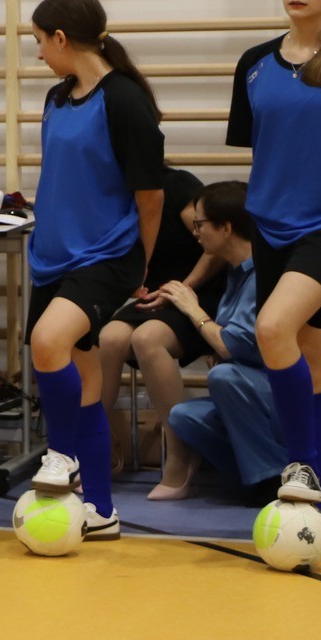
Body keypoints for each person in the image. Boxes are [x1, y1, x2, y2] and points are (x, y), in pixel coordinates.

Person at [24, 0, 166, 541]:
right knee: (83, 377)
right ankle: (101, 510)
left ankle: (62, 456)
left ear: (62, 38)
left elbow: (150, 196)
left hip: (107, 254)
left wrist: (141, 262)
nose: (39, 53)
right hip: (54, 255)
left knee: (47, 342)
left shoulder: (124, 99)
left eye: (40, 41)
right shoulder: (57, 97)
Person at [228, 0, 321, 542]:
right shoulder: (254, 63)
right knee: (314, 355)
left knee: (272, 327)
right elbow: (263, 148)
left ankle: (300, 468)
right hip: (270, 224)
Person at [152, 181, 321, 502]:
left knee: (224, 377)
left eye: (200, 224)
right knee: (183, 417)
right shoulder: (235, 273)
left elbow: (230, 345)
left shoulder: (263, 274)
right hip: (261, 392)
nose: (195, 232)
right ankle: (257, 478)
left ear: (226, 228)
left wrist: (194, 310)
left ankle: (271, 477)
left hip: (292, 392)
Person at [95, 167, 225, 475]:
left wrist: (183, 289)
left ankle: (180, 452)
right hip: (158, 296)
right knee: (109, 338)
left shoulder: (176, 185)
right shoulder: (112, 193)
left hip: (200, 291)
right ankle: (97, 443)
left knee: (147, 338)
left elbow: (217, 248)